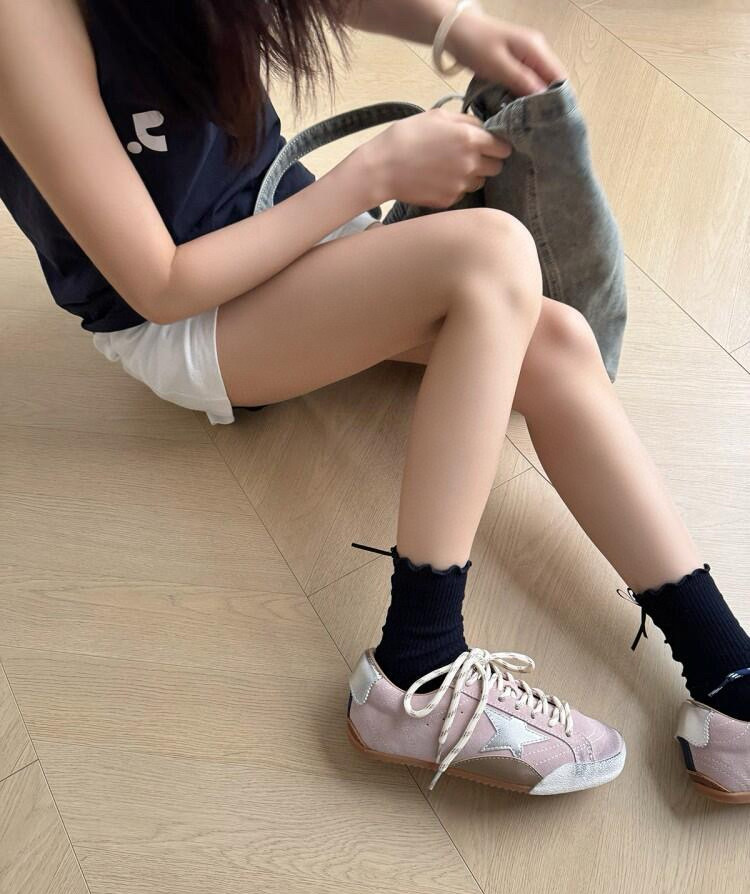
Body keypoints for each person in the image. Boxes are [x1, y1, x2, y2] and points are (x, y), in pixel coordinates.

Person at [0, 0, 747, 801]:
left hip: (276, 219)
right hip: (182, 317)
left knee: (556, 338)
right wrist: (373, 175)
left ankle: (731, 685)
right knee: (493, 258)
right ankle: (416, 667)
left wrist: (454, 26)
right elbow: (160, 285)